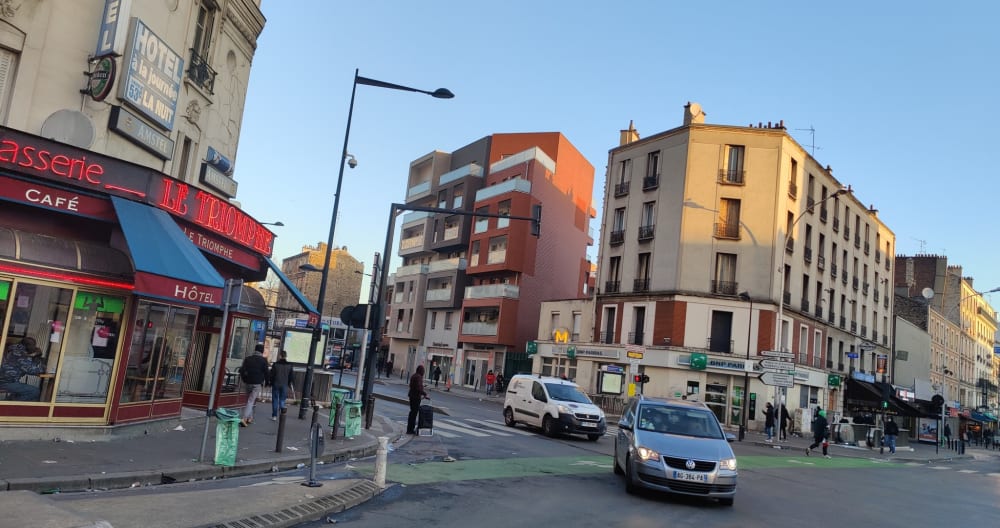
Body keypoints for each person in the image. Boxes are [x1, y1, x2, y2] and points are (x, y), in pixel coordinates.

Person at [0, 337, 45, 401]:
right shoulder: (21, 354)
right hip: (6, 382)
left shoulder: (14, 349)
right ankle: (11, 406)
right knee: (34, 391)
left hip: (6, 380)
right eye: (33, 346)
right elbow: (31, 370)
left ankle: (8, 402)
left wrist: (34, 358)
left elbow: (27, 366)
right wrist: (43, 367)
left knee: (22, 391)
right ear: (29, 346)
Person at [239, 344, 269, 427]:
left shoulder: (248, 359)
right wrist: (267, 382)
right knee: (251, 401)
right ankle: (244, 418)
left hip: (247, 382)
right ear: (262, 351)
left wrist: (244, 379)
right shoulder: (263, 360)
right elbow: (266, 372)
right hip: (257, 383)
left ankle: (250, 417)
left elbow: (242, 370)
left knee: (249, 400)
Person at [269, 351, 294, 421]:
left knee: (275, 400)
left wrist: (270, 383)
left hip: (276, 384)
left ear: (280, 356)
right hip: (285, 385)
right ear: (286, 356)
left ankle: (274, 416)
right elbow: (291, 376)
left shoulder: (275, 364)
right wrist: (289, 383)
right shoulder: (290, 365)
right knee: (282, 400)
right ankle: (282, 414)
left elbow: (272, 375)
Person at [406, 365, 429, 434]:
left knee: (412, 413)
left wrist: (422, 387)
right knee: (414, 413)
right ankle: (410, 429)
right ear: (421, 371)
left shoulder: (414, 375)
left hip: (412, 396)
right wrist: (425, 394)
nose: (424, 372)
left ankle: (409, 428)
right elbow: (418, 388)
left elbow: (415, 386)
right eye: (423, 371)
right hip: (415, 397)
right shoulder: (419, 377)